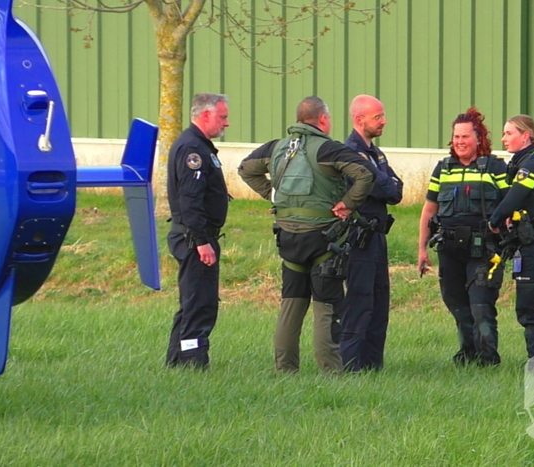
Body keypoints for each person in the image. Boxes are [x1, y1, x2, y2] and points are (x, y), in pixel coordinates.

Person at [238, 96, 376, 373]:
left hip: (288, 238)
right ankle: (331, 372)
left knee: (291, 304)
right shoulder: (328, 149)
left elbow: (246, 169)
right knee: (326, 307)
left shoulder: (276, 148)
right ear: (323, 119)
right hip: (324, 238)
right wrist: (348, 203)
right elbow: (366, 174)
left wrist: (275, 197)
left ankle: (285, 370)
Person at [417, 107, 509, 366]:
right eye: (456, 137)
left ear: (478, 138)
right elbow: (429, 210)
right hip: (449, 249)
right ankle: (468, 353)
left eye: (465, 137)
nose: (459, 142)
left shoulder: (495, 167)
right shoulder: (443, 169)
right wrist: (422, 249)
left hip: (483, 250)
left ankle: (488, 359)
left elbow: (510, 205)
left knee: (480, 304)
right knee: (456, 303)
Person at [488, 115, 534, 360]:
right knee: (532, 311)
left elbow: (513, 199)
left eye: (509, 133)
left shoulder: (529, 166)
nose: (504, 138)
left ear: (526, 136)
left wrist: (494, 221)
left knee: (529, 312)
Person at [165, 93, 230, 369]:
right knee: (200, 303)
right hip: (195, 239)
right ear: (205, 115)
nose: (226, 123)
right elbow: (190, 200)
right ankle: (192, 362)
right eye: (222, 117)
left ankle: (176, 360)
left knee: (192, 300)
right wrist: (202, 242)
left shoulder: (199, 146)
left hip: (197, 236)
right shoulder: (193, 149)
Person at [339, 95, 403, 372]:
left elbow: (396, 191)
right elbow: (383, 187)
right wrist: (384, 180)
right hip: (359, 237)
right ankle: (351, 365)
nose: (383, 121)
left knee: (379, 301)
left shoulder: (376, 154)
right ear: (359, 119)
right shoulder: (350, 153)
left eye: (382, 115)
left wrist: (383, 179)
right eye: (377, 117)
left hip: (378, 237)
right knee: (359, 301)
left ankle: (373, 366)